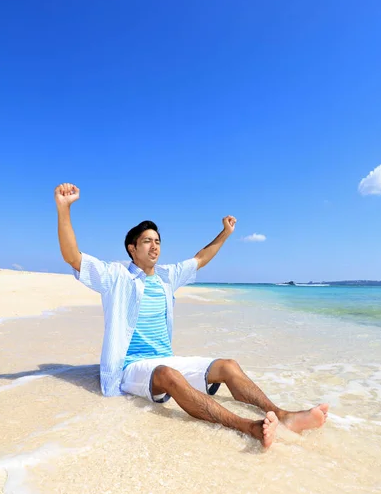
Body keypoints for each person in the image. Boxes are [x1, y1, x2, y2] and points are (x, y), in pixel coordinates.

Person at [55, 182, 328, 450]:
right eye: (147, 241)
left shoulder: (166, 277)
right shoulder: (116, 277)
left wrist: (225, 233)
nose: (155, 247)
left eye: (158, 241)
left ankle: (282, 415)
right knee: (168, 375)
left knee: (228, 366)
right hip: (130, 367)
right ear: (132, 248)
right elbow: (73, 257)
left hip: (165, 359)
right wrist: (64, 209)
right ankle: (249, 427)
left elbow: (200, 258)